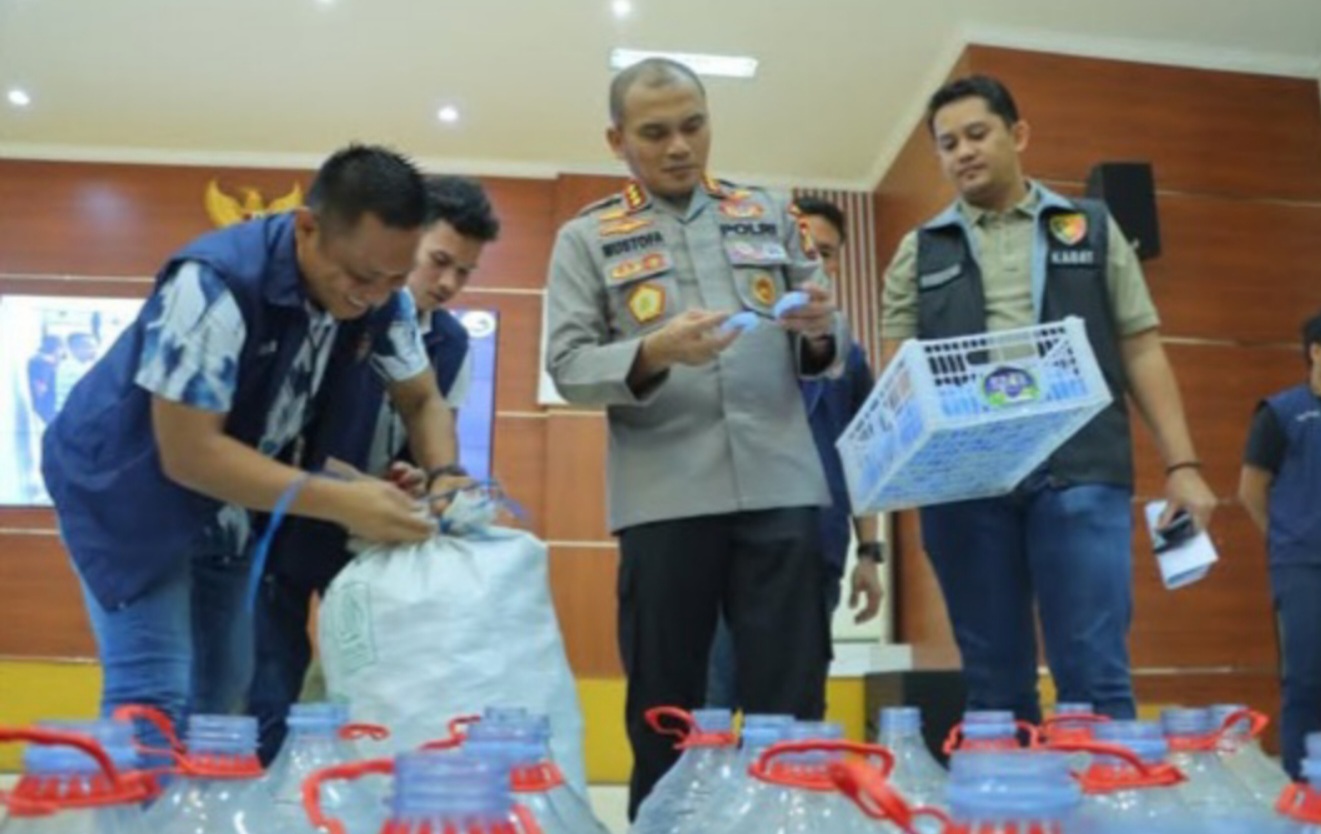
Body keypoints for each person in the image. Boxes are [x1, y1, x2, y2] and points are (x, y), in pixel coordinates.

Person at [41, 144, 464, 752]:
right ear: (308, 227)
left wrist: (447, 474)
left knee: (221, 695)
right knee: (155, 696)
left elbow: (421, 399)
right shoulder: (214, 284)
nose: (372, 296)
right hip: (129, 488)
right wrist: (344, 502)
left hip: (230, 501)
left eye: (396, 279)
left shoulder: (383, 298)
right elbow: (188, 455)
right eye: (361, 276)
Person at [546, 57, 849, 816]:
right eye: (655, 133)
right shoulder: (586, 237)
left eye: (693, 124)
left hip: (780, 482)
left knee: (790, 702)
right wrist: (653, 350)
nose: (680, 145)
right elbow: (568, 367)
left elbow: (823, 343)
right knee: (667, 708)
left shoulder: (764, 214)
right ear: (617, 140)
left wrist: (818, 329)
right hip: (664, 497)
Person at [879, 75, 1216, 724]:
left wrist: (1182, 465)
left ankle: (1108, 815)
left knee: (1094, 677)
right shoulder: (917, 251)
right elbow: (902, 375)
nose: (962, 153)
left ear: (1018, 135)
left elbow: (1140, 347)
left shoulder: (1087, 227)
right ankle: (1019, 821)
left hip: (1080, 466)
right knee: (995, 691)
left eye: (977, 134)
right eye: (947, 144)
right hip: (966, 482)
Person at [246, 174, 501, 763]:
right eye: (437, 261)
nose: (447, 283)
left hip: (366, 542)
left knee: (364, 698)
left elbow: (430, 430)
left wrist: (422, 478)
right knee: (266, 688)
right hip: (279, 521)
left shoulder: (453, 343)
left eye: (464, 272)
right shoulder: (340, 303)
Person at [705, 196, 884, 709]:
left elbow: (863, 454)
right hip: (724, 549)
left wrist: (870, 555)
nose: (812, 262)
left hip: (814, 549)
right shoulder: (726, 337)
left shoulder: (847, 356)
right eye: (801, 247)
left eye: (824, 252)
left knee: (794, 711)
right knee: (712, 706)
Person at [1239, 310, 1321, 780]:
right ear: (1315, 351)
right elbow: (1251, 491)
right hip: (1301, 566)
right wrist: (1286, 538)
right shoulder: (1281, 412)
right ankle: (1301, 786)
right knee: (1306, 679)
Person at [26, 334, 63, 425]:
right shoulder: (45, 362)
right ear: (56, 348)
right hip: (46, 402)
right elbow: (41, 384)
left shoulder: (38, 359)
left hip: (44, 401)